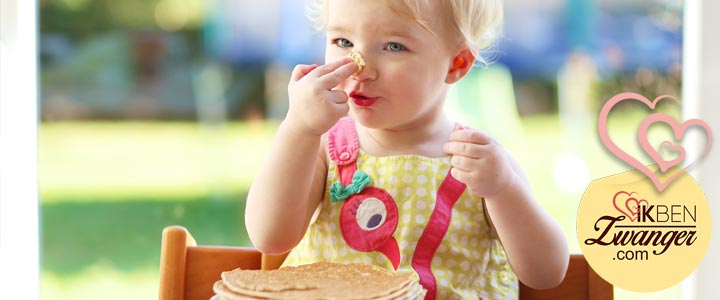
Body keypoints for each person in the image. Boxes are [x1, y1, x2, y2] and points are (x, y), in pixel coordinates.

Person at [245, 0, 569, 299]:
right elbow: (269, 237)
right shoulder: (323, 146)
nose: (360, 67)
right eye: (343, 42)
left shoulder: (479, 163)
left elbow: (546, 272)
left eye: (394, 47)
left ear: (456, 64)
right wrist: (298, 129)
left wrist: (504, 190)